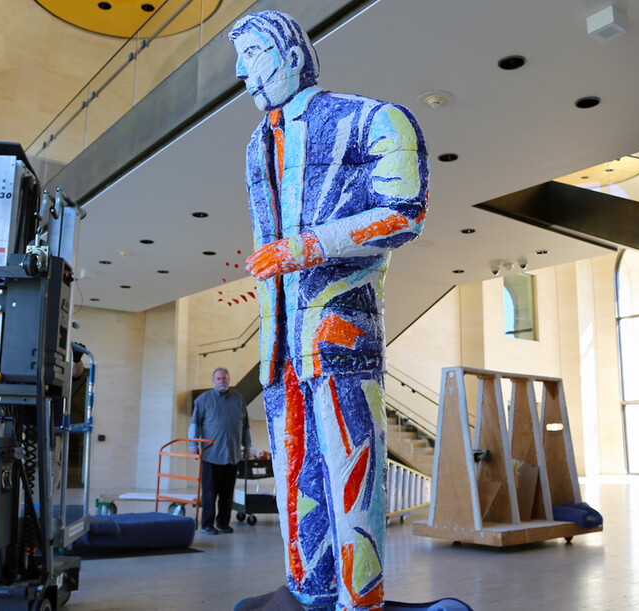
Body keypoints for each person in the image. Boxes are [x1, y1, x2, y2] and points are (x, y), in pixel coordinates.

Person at [229, 11, 428, 610]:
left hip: (340, 332)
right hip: (280, 348)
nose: (242, 74)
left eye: (253, 55)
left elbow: (405, 211)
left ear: (291, 54)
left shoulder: (374, 119)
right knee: (297, 481)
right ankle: (309, 591)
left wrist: (306, 246)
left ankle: (359, 599)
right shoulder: (255, 146)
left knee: (352, 471)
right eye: (237, 62)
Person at [188, 367, 252, 535]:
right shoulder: (203, 400)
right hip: (211, 455)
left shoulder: (238, 399)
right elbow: (195, 424)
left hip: (232, 455)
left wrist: (248, 447)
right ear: (213, 381)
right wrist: (193, 446)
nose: (221, 381)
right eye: (218, 378)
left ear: (229, 379)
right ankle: (207, 524)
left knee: (227, 493)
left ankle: (223, 523)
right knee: (209, 493)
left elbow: (245, 426)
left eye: (224, 378)